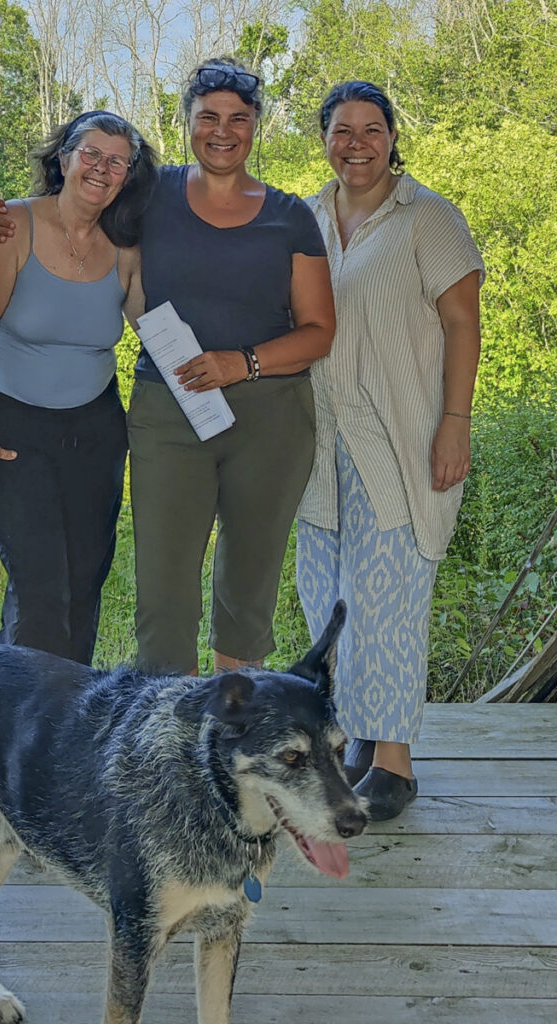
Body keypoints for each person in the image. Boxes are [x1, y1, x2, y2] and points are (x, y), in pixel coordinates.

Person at [0, 59, 336, 678]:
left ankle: (233, 718)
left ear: (257, 126)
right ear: (187, 121)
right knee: (163, 592)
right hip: (169, 407)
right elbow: (70, 205)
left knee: (248, 586)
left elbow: (319, 331)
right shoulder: (149, 194)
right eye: (208, 117)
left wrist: (240, 363)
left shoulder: (289, 216)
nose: (223, 131)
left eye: (238, 119)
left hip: (271, 413)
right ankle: (168, 727)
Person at [296, 81, 484, 820]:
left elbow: (463, 324)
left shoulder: (426, 216)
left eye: (371, 129)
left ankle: (394, 764)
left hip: (399, 437)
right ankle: (355, 740)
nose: (357, 144)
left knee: (387, 599)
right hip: (319, 441)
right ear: (324, 139)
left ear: (392, 137)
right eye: (342, 130)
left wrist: (455, 421)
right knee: (328, 597)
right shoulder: (307, 216)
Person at [0, 110, 157, 665]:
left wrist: (223, 375)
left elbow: (157, 332)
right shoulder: (10, 227)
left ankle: (67, 710)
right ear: (63, 159)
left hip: (95, 432)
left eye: (117, 162)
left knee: (84, 586)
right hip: (12, 430)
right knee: (41, 592)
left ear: (128, 176)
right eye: (90, 153)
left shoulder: (127, 246)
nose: (101, 168)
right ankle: (23, 715)